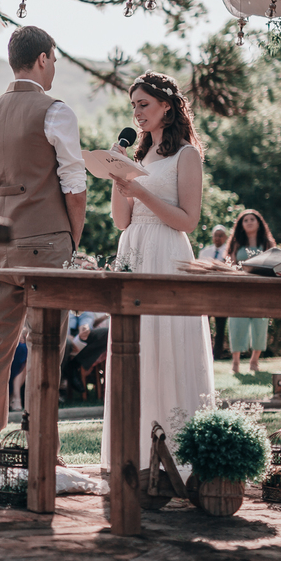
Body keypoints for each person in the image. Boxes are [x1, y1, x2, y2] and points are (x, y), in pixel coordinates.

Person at [0, 25, 87, 477]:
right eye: (53, 59)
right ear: (42, 59)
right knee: (47, 345)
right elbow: (73, 186)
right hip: (46, 245)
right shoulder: (55, 111)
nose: (54, 67)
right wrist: (72, 239)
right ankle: (42, 444)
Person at [103, 72, 214, 470]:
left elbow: (188, 220)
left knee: (168, 343)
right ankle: (134, 449)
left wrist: (143, 192)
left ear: (166, 106)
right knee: (136, 345)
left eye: (143, 104)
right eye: (133, 105)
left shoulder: (187, 155)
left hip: (167, 252)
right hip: (133, 249)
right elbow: (121, 221)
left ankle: (178, 451)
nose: (137, 112)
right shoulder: (139, 156)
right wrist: (118, 180)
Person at [225, 209, 276, 374]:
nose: (249, 222)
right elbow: (230, 264)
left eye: (252, 219)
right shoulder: (236, 243)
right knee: (236, 323)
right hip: (239, 289)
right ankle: (235, 363)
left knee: (260, 324)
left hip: (261, 289)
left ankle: (254, 361)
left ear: (259, 222)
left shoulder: (267, 243)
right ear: (241, 225)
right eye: (245, 220)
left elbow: (274, 263)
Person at [197, 226, 230, 359]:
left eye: (221, 235)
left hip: (223, 294)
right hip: (207, 293)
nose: (218, 238)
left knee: (220, 326)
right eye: (216, 235)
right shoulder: (205, 252)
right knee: (204, 323)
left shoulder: (229, 252)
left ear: (225, 237)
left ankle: (218, 354)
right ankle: (205, 352)